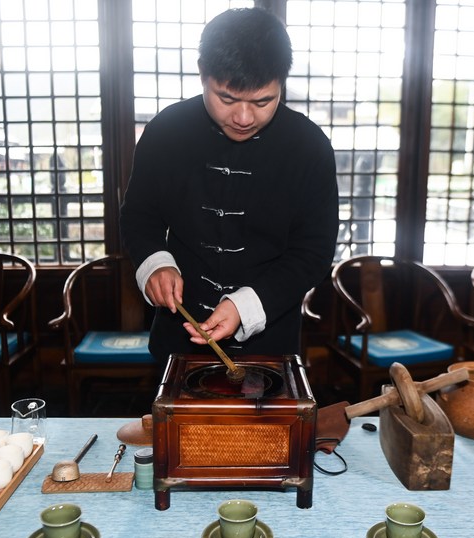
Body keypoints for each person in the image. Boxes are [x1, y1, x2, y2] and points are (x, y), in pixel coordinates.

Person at [120, 7, 338, 364]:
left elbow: (314, 252)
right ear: (202, 73)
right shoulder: (165, 132)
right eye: (227, 98)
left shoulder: (309, 146)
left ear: (282, 82)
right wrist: (155, 264)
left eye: (263, 101)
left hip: (272, 344)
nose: (244, 117)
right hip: (178, 339)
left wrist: (246, 305)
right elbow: (139, 216)